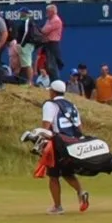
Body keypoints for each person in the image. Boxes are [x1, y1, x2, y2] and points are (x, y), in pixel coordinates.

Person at [39, 78, 92, 215]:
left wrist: (42, 143)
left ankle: (58, 207)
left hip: (58, 143)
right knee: (67, 172)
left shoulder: (50, 104)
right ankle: (81, 192)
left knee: (53, 176)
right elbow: (79, 127)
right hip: (72, 143)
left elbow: (46, 127)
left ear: (53, 92)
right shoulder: (71, 105)